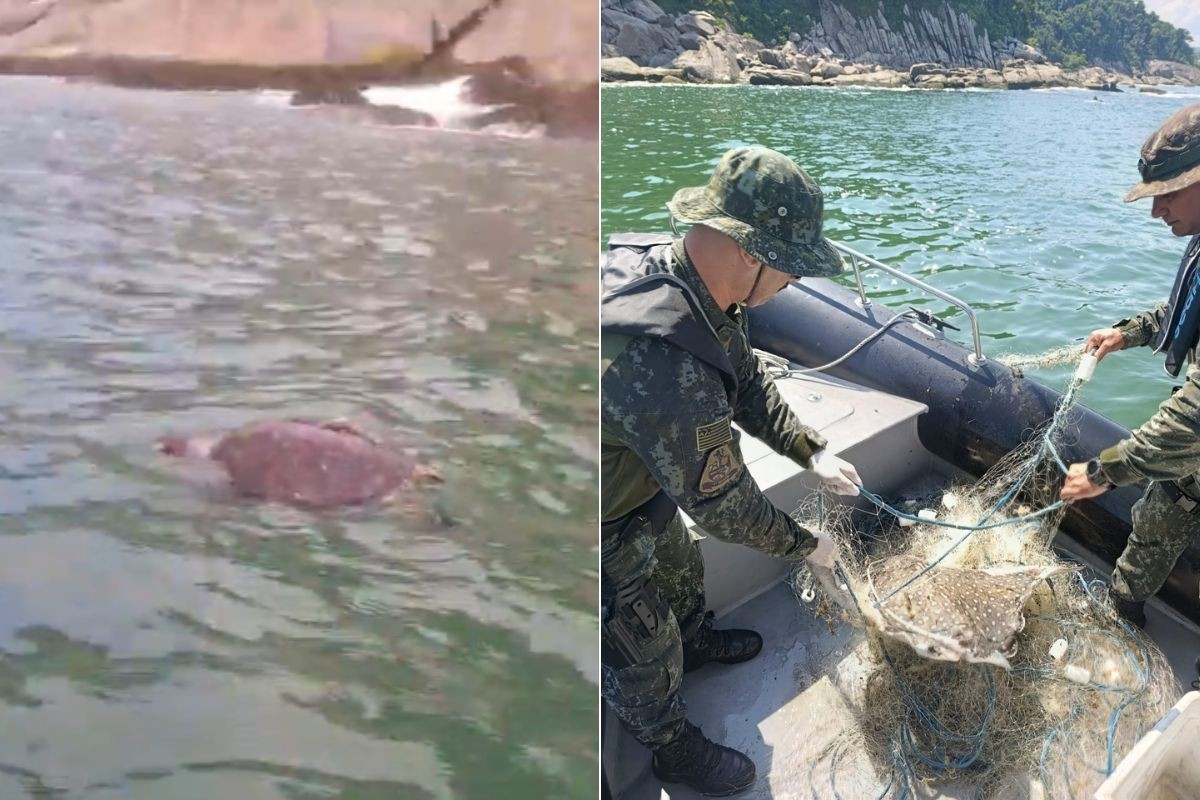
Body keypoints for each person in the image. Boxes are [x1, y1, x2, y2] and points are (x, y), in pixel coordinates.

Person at [600, 146, 861, 796]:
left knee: (682, 565)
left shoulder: (692, 285)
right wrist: (809, 545)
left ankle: (694, 636)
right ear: (750, 251)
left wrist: (809, 450)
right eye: (792, 268)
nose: (796, 283)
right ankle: (670, 744)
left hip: (637, 481)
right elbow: (725, 506)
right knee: (640, 642)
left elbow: (745, 379)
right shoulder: (667, 370)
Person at [1060, 103, 1200, 629]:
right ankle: (1123, 609)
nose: (1156, 210)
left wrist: (1103, 471)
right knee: (1156, 522)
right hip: (1191, 467)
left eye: (1168, 193)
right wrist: (1129, 332)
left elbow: (1196, 415)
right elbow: (1187, 308)